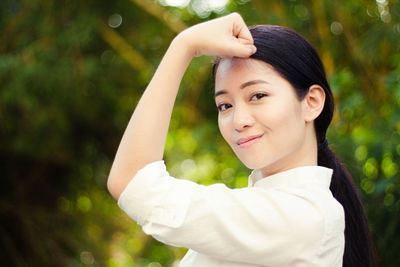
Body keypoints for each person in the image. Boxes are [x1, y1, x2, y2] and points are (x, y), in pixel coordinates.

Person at [107, 13, 376, 266]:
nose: (239, 120)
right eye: (225, 105)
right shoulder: (270, 208)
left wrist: (185, 45)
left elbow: (133, 182)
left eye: (257, 96)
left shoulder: (302, 216)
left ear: (312, 102)